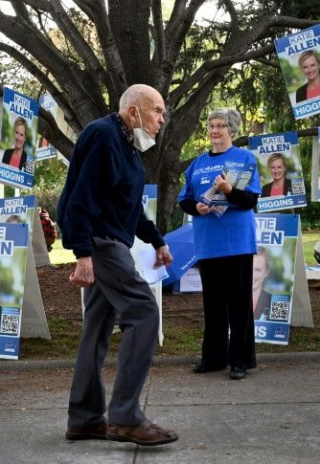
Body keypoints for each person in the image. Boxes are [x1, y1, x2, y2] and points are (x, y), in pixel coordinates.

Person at [57, 83, 178, 446]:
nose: (162, 119)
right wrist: (82, 255)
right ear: (133, 111)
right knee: (143, 311)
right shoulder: (103, 136)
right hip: (101, 243)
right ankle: (125, 416)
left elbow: (128, 207)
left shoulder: (127, 148)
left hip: (109, 241)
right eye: (156, 110)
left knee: (96, 330)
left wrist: (157, 239)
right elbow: (80, 199)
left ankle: (85, 419)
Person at [178, 107, 260, 381]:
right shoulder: (197, 164)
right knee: (213, 305)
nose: (214, 130)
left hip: (237, 242)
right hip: (208, 243)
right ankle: (213, 358)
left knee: (238, 303)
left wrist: (229, 191)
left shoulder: (244, 158)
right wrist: (196, 207)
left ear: (232, 130)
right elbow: (185, 200)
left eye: (220, 126)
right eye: (211, 125)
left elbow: (250, 201)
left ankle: (240, 361)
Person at [253, 247, 273, 321]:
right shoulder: (228, 299)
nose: (251, 274)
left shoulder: (273, 301)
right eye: (248, 268)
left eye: (257, 270)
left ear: (266, 272)